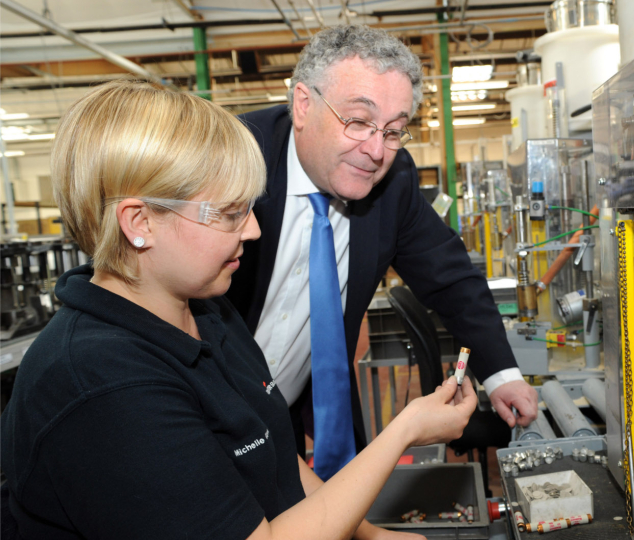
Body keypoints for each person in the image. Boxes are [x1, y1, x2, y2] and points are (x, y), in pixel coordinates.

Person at [0, 79, 477, 540]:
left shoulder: (209, 313)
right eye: (230, 214)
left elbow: (271, 453)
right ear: (139, 221)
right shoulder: (102, 382)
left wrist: (369, 536)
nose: (252, 230)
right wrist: (404, 431)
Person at [226, 24, 538, 471]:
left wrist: (502, 375)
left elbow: (449, 278)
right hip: (197, 412)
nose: (376, 151)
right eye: (358, 121)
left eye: (394, 131)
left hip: (281, 417)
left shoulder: (393, 182)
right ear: (302, 104)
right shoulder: (231, 158)